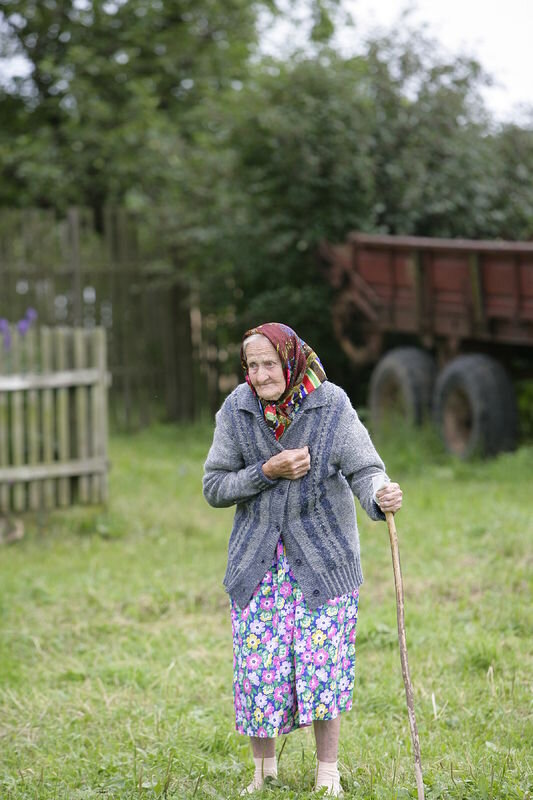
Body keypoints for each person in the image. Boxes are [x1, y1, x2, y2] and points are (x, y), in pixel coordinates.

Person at [203, 322, 402, 796]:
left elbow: (365, 466)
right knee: (258, 669)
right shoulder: (238, 409)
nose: (260, 375)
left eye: (269, 363)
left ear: (290, 361)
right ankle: (264, 771)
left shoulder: (330, 403)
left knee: (321, 666)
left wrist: (380, 494)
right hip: (257, 565)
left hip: (322, 564)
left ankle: (327, 772)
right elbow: (214, 486)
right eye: (251, 366)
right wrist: (265, 471)